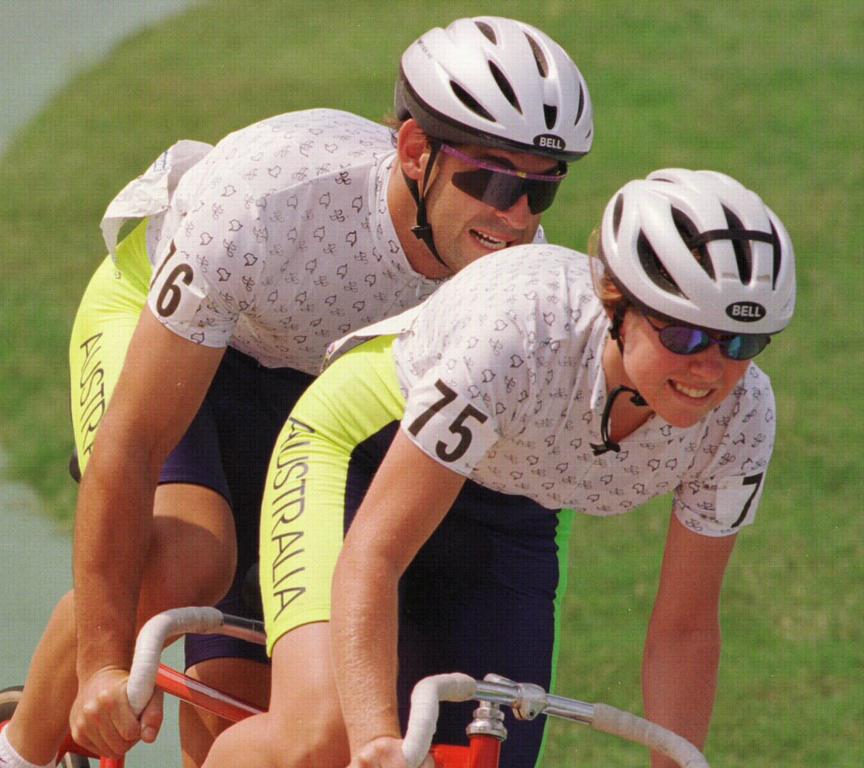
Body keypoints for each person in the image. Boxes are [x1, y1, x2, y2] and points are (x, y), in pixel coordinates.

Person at [0, 16, 594, 768]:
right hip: (176, 335)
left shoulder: (516, 288)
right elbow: (132, 446)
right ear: (413, 152)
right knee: (184, 561)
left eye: (542, 191)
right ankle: (12, 755)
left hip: (323, 401)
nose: (517, 217)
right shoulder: (271, 197)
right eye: (492, 180)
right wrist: (103, 665)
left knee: (244, 725)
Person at [201, 169, 796, 768]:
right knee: (323, 738)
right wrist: (375, 737)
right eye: (687, 335)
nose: (710, 371)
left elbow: (685, 627)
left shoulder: (742, 415)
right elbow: (374, 554)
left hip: (508, 510)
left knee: (485, 755)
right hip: (365, 455)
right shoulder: (521, 339)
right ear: (618, 306)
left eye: (742, 343)